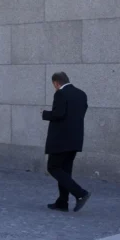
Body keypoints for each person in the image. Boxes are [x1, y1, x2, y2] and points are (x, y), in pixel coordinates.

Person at [42, 71, 90, 212]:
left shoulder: (60, 94)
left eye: (54, 85)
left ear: (56, 83)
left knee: (53, 167)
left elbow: (59, 114)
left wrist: (45, 114)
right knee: (65, 171)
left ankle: (81, 193)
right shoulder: (81, 94)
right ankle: (62, 202)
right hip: (75, 139)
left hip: (60, 140)